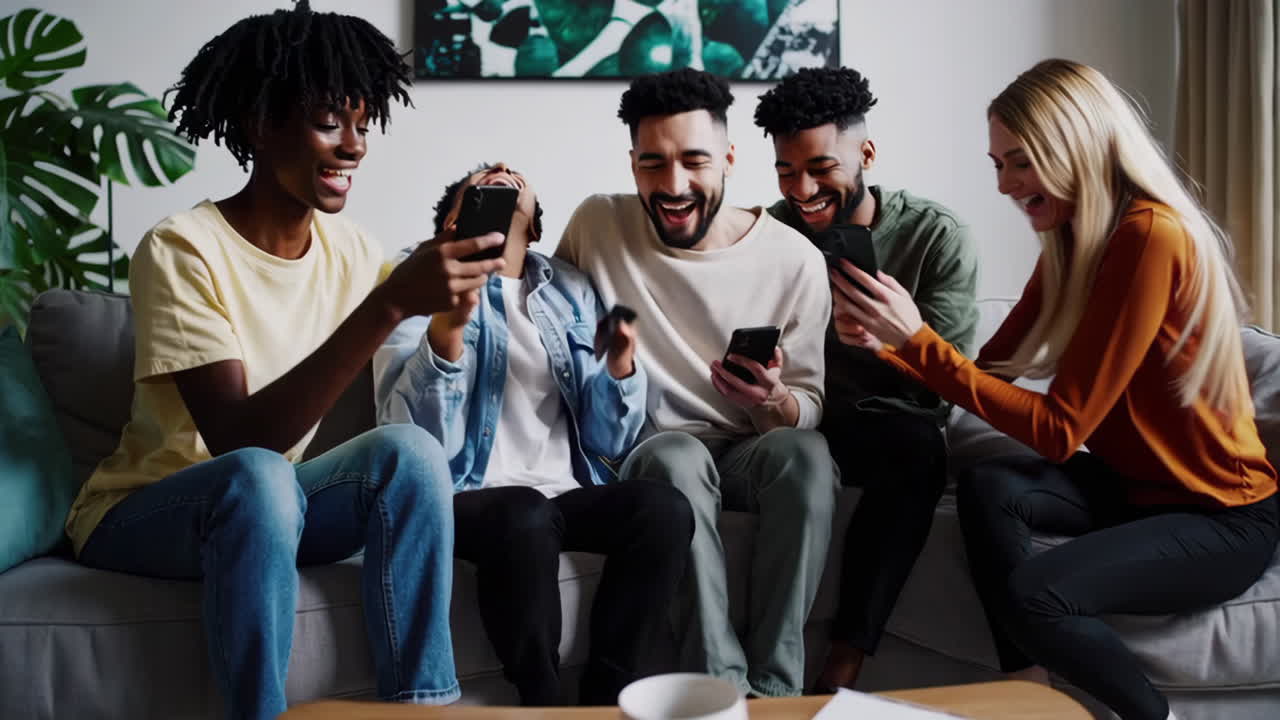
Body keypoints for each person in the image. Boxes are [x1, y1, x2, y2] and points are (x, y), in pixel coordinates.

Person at [62, 4, 501, 717]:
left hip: (275, 506)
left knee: (410, 454)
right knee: (262, 474)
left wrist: (443, 313)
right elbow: (239, 439)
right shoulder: (182, 247)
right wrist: (387, 306)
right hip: (146, 513)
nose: (355, 146)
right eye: (331, 120)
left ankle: (423, 706)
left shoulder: (355, 252)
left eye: (363, 124)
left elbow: (410, 398)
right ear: (263, 123)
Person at [835, 58, 1279, 720]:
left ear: (1076, 146)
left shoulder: (1148, 235)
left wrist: (918, 341)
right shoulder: (1074, 241)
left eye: (1021, 161)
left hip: (1222, 516)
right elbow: (994, 373)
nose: (1007, 184)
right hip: (1135, 493)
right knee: (992, 486)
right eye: (997, 164)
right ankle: (1033, 689)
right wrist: (894, 347)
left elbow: (1060, 429)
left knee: (1036, 595)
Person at [555, 68, 839, 699]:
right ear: (631, 164)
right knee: (678, 457)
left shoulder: (794, 258)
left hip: (748, 447)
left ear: (731, 161)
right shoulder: (597, 225)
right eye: (652, 164)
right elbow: (554, 327)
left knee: (807, 456)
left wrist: (774, 400)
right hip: (653, 449)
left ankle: (775, 692)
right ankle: (717, 688)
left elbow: (809, 407)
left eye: (694, 162)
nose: (674, 185)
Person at [374, 163, 694, 706]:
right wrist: (448, 332)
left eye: (513, 176)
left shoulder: (570, 288)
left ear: (536, 227)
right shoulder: (416, 279)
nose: (500, 171)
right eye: (479, 181)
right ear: (450, 223)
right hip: (465, 498)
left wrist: (618, 366)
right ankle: (541, 701)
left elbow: (609, 442)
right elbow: (411, 440)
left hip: (565, 493)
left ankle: (606, 697)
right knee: (523, 511)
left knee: (663, 508)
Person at [753, 66, 979, 691]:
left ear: (866, 154)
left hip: (890, 423)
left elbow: (953, 385)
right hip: (797, 416)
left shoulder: (937, 236)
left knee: (917, 449)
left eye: (821, 168)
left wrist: (893, 345)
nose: (802, 189)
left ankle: (845, 660)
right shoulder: (766, 233)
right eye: (785, 171)